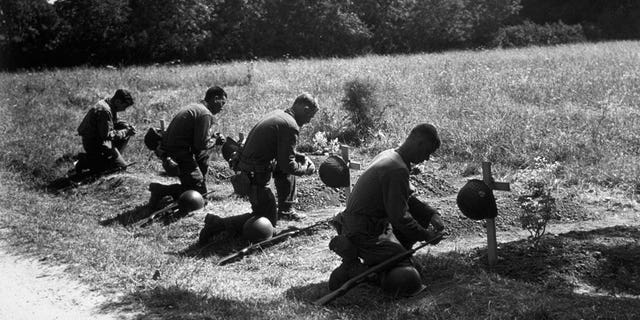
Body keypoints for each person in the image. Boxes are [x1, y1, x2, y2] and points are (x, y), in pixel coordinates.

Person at [327, 123, 445, 295]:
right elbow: (400, 217)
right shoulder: (396, 169)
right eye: (427, 152)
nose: (426, 158)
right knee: (404, 267)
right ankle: (354, 269)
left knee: (407, 262)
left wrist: (430, 214)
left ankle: (374, 259)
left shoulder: (390, 155)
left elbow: (404, 198)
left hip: (370, 224)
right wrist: (426, 236)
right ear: (419, 143)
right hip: (362, 231)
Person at [198, 93, 318, 245]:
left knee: (267, 219)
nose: (309, 121)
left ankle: (285, 209)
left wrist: (299, 157)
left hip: (250, 169)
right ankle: (217, 224)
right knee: (265, 223)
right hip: (255, 174)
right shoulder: (290, 125)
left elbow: (280, 151)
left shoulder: (279, 115)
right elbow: (288, 165)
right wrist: (305, 170)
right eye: (310, 116)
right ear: (304, 108)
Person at [147, 86, 227, 210]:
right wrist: (215, 141)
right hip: (179, 152)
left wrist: (211, 138)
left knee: (198, 178)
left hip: (174, 149)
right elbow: (200, 144)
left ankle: (172, 188)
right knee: (198, 197)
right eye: (222, 103)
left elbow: (197, 140)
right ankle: (161, 190)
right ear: (216, 99)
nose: (222, 107)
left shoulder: (196, 108)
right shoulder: (205, 114)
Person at [76, 89, 136, 173]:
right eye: (124, 106)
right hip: (94, 143)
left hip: (100, 139)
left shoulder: (109, 103)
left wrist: (126, 125)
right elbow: (107, 135)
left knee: (125, 131)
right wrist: (126, 132)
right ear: (118, 102)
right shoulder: (105, 110)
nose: (124, 109)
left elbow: (112, 121)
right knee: (120, 167)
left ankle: (108, 158)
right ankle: (86, 161)